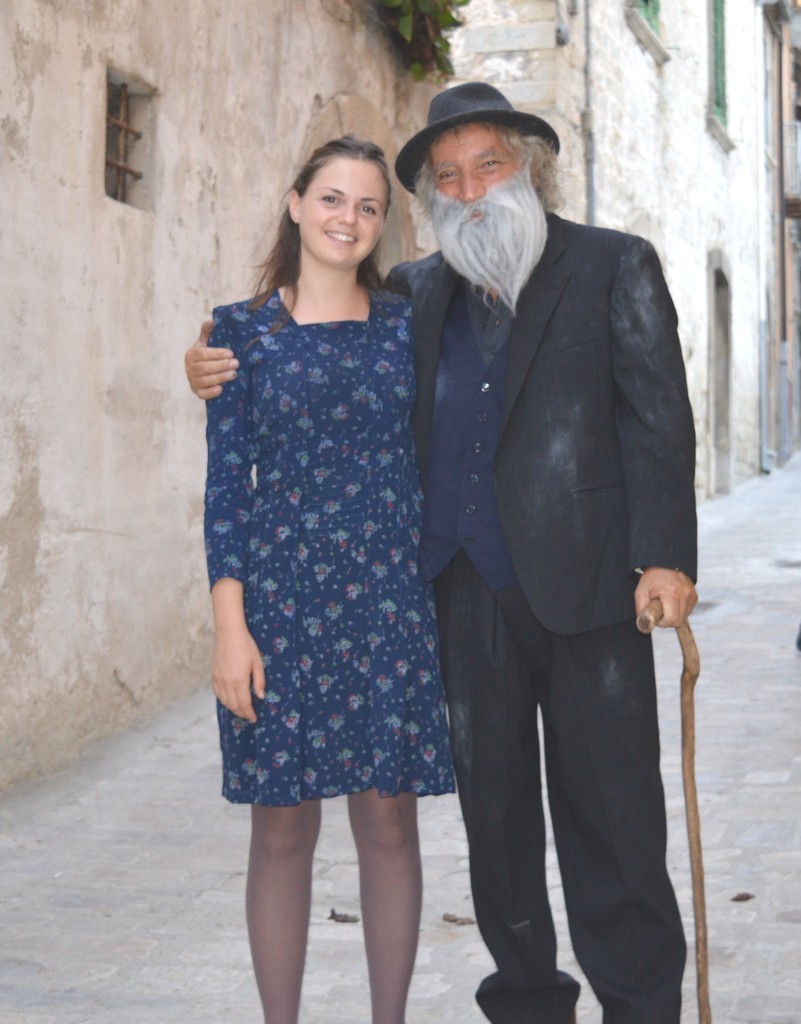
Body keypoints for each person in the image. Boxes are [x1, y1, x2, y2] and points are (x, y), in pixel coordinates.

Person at [187, 85, 698, 1024]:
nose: (469, 189)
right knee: (494, 824)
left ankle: (638, 1007)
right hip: (457, 597)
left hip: (590, 593)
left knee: (613, 821)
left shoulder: (611, 263)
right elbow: (293, 354)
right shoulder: (412, 294)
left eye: (487, 166)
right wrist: (211, 364)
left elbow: (657, 417)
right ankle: (529, 1005)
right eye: (447, 176)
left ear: (527, 169)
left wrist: (663, 556)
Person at [200, 134, 455, 1024]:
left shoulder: (406, 323)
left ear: (383, 223)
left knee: (388, 821)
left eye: (369, 206)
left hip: (387, 601)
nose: (349, 218)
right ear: (296, 203)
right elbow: (226, 487)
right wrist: (230, 627)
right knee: (281, 827)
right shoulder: (238, 332)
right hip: (280, 605)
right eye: (333, 199)